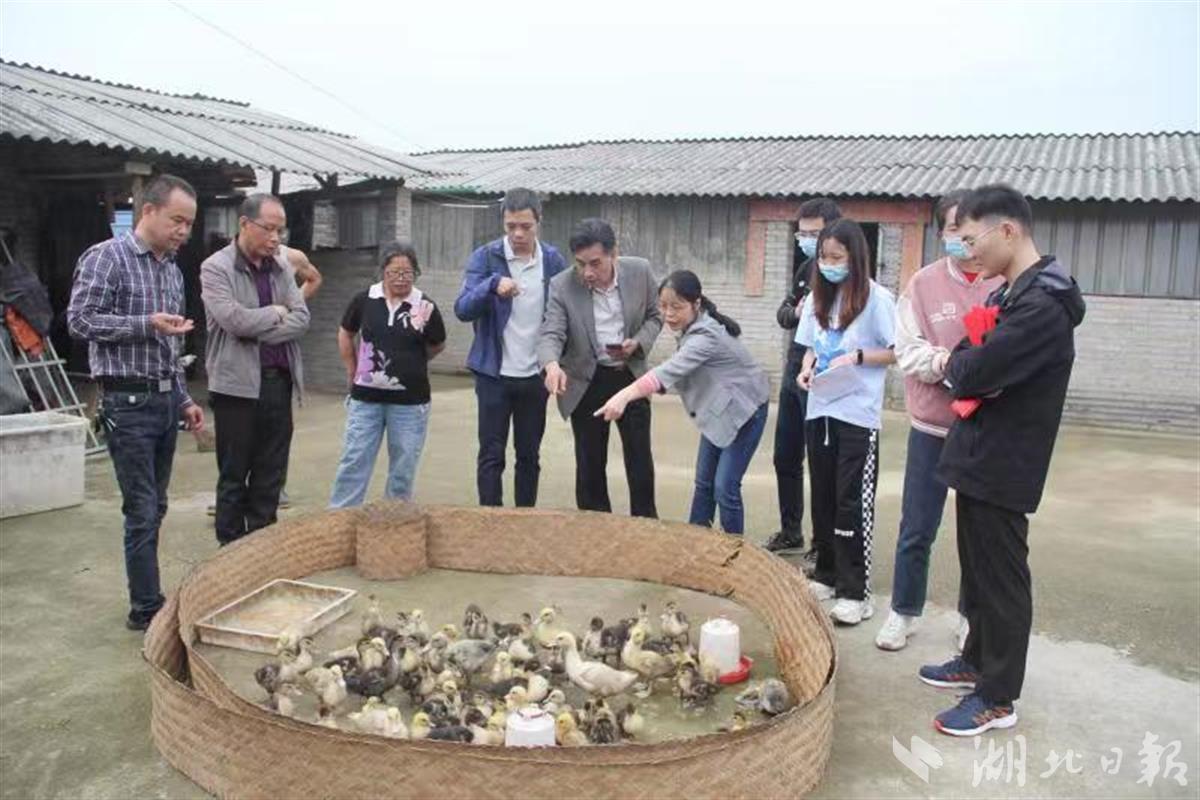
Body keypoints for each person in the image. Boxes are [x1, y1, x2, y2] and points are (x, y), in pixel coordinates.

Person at [919, 184, 1085, 736]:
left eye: (971, 239)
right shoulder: (1005, 294)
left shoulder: (1043, 306)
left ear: (1007, 230)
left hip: (1005, 461)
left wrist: (966, 365)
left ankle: (998, 696)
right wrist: (966, 364)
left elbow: (971, 370)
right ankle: (976, 658)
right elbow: (969, 357)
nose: (966, 252)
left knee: (1002, 579)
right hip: (978, 452)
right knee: (978, 571)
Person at [67, 174, 205, 631]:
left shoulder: (170, 268)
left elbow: (170, 346)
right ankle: (146, 609)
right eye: (177, 220)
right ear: (148, 211)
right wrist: (145, 323)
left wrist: (184, 398)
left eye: (189, 223)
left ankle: (149, 599)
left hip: (165, 403)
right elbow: (80, 321)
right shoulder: (106, 258)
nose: (184, 231)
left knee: (157, 507)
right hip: (125, 404)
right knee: (142, 510)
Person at [875, 191, 1003, 652]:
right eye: (953, 229)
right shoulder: (924, 284)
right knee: (917, 526)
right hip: (931, 426)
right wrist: (955, 366)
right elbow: (906, 350)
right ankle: (904, 612)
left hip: (983, 428)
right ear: (941, 232)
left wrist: (980, 374)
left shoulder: (1002, 281)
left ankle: (971, 615)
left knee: (978, 531)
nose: (963, 239)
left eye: (969, 230)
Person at [596, 270, 769, 535]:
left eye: (676, 307)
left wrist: (623, 396)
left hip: (747, 412)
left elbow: (667, 371)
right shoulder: (692, 329)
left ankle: (735, 553)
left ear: (696, 304)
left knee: (725, 487)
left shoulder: (705, 335)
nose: (668, 315)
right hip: (718, 412)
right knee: (704, 483)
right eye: (663, 307)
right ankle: (695, 543)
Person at [796, 218, 896, 626]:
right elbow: (809, 347)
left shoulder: (877, 299)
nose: (829, 264)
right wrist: (806, 370)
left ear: (856, 257)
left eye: (837, 257)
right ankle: (827, 574)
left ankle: (856, 591)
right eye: (824, 257)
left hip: (857, 413)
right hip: (820, 407)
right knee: (822, 495)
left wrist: (856, 357)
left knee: (851, 500)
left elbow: (895, 351)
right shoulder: (821, 296)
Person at [201, 193, 310, 545]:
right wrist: (276, 313)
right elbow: (233, 321)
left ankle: (260, 551)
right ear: (245, 224)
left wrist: (262, 324)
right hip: (235, 388)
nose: (276, 239)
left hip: (277, 383)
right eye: (269, 229)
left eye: (281, 230)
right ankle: (230, 553)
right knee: (234, 475)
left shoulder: (280, 266)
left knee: (270, 475)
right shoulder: (216, 267)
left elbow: (302, 319)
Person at [538, 218, 662, 517]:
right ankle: (596, 529)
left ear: (613, 253)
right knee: (590, 463)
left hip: (629, 376)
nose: (588, 272)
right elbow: (551, 332)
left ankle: (645, 527)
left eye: (596, 263)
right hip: (586, 381)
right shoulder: (562, 285)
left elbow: (655, 315)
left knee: (640, 460)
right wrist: (552, 364)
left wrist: (638, 343)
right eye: (581, 264)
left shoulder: (640, 271)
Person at [454, 188, 567, 507]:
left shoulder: (553, 260)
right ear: (503, 222)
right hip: (494, 375)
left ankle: (524, 523)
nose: (518, 234)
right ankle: (491, 524)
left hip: (535, 375)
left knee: (529, 456)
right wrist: (491, 284)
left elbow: (562, 316)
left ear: (539, 223)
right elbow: (462, 309)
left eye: (525, 227)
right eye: (511, 226)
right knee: (491, 454)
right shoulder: (486, 256)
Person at [329, 241, 446, 507]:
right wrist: (352, 368)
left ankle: (396, 522)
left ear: (416, 273)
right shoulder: (364, 300)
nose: (401, 278)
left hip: (410, 403)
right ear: (383, 271)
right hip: (365, 400)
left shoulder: (425, 306)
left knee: (403, 464)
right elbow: (346, 332)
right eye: (394, 272)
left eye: (407, 273)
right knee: (354, 458)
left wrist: (411, 362)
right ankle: (340, 519)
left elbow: (437, 344)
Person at [764, 198, 842, 568]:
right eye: (802, 233)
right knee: (785, 456)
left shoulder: (845, 273)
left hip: (822, 374)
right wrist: (798, 310)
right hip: (794, 366)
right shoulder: (805, 269)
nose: (806, 240)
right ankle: (790, 530)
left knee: (821, 463)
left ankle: (821, 542)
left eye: (814, 233)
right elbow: (783, 314)